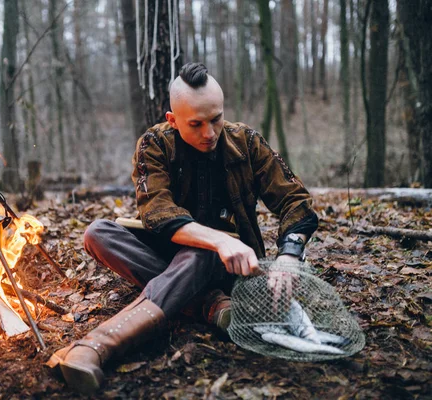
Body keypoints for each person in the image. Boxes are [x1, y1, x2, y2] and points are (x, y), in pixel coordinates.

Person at [48, 63, 318, 394]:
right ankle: (208, 305)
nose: (210, 132)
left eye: (216, 118)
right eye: (196, 124)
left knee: (198, 255)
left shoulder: (247, 142)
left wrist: (289, 257)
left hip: (234, 268)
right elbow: (159, 214)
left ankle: (95, 346)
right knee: (97, 233)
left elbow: (297, 202)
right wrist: (217, 240)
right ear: (172, 120)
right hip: (180, 254)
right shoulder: (154, 144)